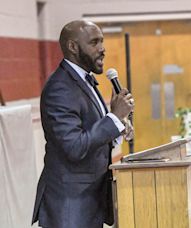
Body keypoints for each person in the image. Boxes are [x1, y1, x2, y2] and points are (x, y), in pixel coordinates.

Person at [32, 20, 133, 228]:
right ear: (73, 47)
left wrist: (118, 124)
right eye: (94, 42)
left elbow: (91, 136)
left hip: (89, 201)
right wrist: (113, 118)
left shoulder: (85, 81)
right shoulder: (60, 88)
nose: (102, 49)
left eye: (102, 42)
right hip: (70, 207)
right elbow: (74, 147)